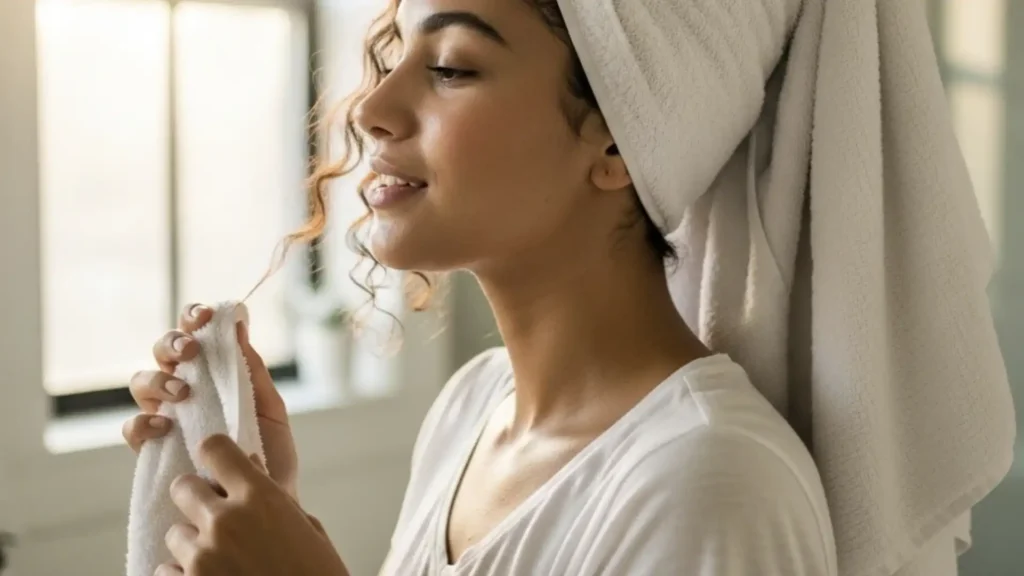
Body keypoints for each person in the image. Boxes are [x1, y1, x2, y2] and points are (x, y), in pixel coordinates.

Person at [121, 0, 837, 574]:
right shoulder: (471, 408)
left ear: (620, 139)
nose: (372, 107)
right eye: (393, 54)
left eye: (453, 68)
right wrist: (273, 514)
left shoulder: (713, 483)